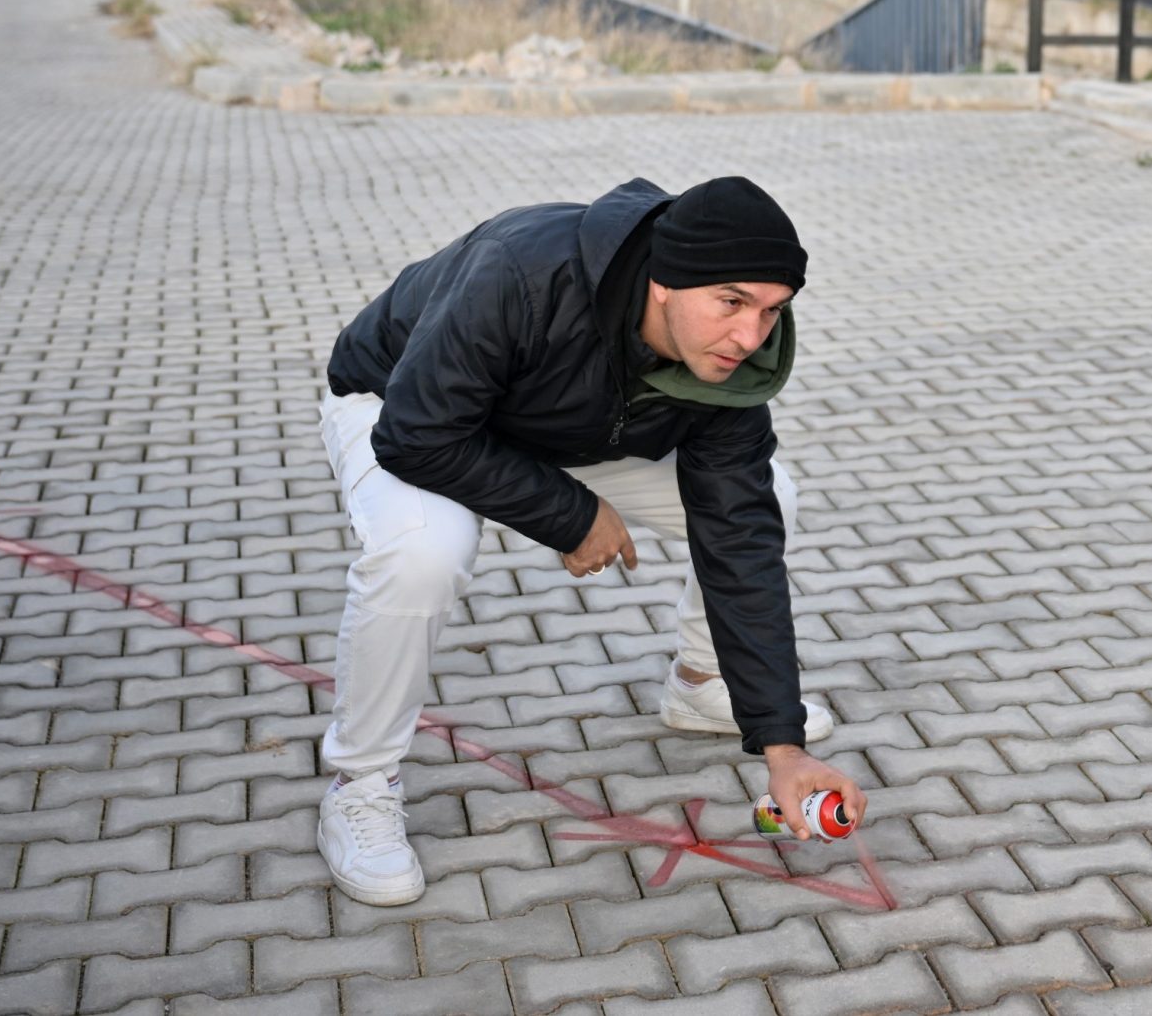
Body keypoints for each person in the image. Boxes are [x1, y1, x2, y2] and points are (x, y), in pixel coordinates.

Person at [313, 174, 861, 904]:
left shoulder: (734, 363)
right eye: (731, 302)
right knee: (422, 551)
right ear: (664, 283)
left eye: (772, 310)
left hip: (564, 423)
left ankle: (702, 685)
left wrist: (783, 746)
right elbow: (417, 435)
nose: (750, 335)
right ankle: (361, 781)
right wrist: (572, 515)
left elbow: (739, 535)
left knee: (772, 497)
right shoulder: (521, 270)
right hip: (402, 405)